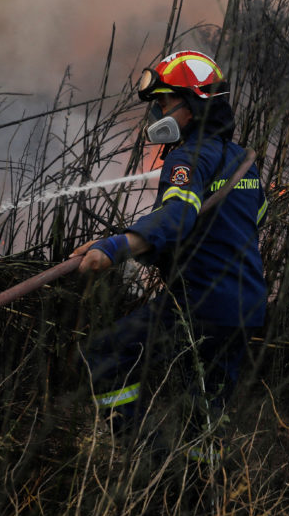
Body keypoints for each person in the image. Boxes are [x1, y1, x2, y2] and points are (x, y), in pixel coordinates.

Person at [71, 50, 267, 460]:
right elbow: (247, 219)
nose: (157, 113)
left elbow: (178, 215)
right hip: (247, 305)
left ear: (192, 105)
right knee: (205, 417)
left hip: (203, 303)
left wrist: (113, 248)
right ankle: (200, 495)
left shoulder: (188, 156)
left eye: (163, 103)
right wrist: (149, 245)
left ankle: (146, 458)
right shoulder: (240, 162)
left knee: (104, 356)